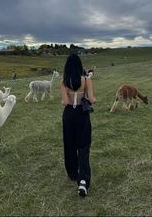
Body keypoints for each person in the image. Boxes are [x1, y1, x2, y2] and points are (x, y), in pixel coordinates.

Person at [60, 53, 96, 197]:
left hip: (68, 115)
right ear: (80, 65)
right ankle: (83, 181)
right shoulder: (86, 80)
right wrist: (89, 99)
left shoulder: (63, 82)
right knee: (83, 146)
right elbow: (92, 99)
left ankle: (73, 173)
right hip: (82, 114)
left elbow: (65, 102)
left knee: (69, 144)